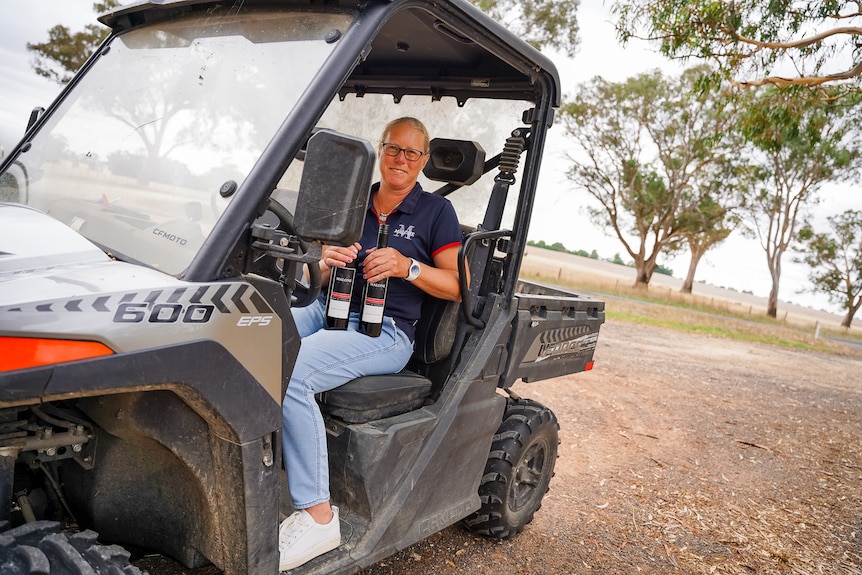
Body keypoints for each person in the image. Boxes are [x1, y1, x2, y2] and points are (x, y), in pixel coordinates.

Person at [278, 117, 463, 571]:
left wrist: (407, 267)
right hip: (328, 306)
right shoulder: (354, 200)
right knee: (259, 335)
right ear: (380, 151)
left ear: (423, 160)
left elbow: (459, 286)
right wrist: (321, 258)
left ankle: (319, 516)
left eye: (412, 153)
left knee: (296, 372)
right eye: (393, 149)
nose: (401, 159)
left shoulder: (436, 213)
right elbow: (309, 268)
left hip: (387, 331)